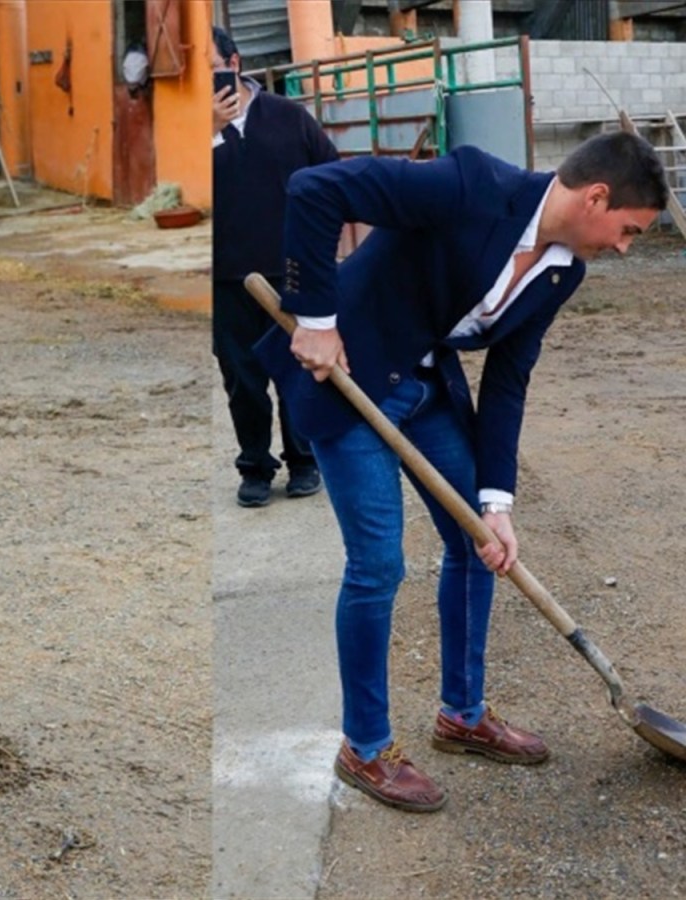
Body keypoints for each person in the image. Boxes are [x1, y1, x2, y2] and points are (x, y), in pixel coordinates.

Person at [256, 132, 667, 811]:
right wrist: (318, 319)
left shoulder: (564, 269)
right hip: (345, 380)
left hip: (422, 388)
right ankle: (364, 746)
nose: (624, 246)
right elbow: (316, 190)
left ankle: (462, 714)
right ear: (596, 197)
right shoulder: (471, 187)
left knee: (482, 545)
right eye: (628, 230)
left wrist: (496, 500)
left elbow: (508, 380)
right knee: (378, 565)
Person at [211, 26, 338, 508]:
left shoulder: (288, 117)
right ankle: (255, 467)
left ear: (234, 63)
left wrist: (319, 251)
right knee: (242, 377)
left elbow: (330, 176)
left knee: (297, 372)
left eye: (210, 66)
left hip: (291, 273)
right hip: (225, 277)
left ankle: (304, 461)